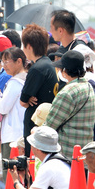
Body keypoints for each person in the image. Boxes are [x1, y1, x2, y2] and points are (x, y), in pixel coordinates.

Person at [0, 46, 27, 175]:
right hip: (19, 134)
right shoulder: (24, 79)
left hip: (13, 136)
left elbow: (2, 108)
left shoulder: (15, 82)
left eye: (7, 61)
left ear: (19, 61)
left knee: (11, 177)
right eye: (2, 61)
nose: (4, 65)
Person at [44, 50, 95, 160]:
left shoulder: (67, 92)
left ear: (64, 71)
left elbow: (49, 126)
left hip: (67, 153)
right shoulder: (88, 86)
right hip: (84, 150)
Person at [20, 24, 59, 155]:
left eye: (23, 45)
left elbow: (23, 101)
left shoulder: (36, 69)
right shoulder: (49, 64)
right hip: (47, 123)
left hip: (36, 124)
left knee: (32, 162)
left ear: (29, 46)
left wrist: (28, 99)